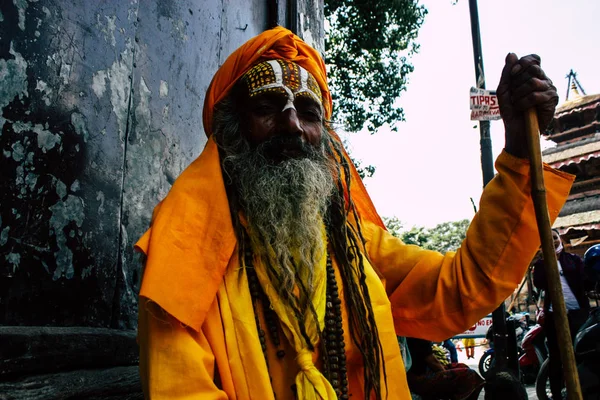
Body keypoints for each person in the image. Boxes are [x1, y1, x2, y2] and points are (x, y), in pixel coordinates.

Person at [136, 27, 573, 400]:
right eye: (268, 108)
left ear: (324, 139)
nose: (292, 124)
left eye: (309, 113)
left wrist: (518, 149)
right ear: (232, 133)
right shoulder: (185, 257)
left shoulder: (353, 245)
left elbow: (461, 289)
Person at [533, 229, 592, 399]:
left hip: (578, 313)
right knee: (556, 357)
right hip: (554, 316)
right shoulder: (541, 264)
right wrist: (547, 260)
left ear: (561, 240)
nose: (552, 241)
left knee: (580, 352)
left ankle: (583, 390)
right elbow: (539, 283)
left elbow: (585, 280)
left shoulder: (574, 260)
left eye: (555, 238)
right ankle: (557, 394)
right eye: (548, 238)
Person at [406, 338, 484, 400]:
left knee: (462, 366)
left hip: (423, 372)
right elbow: (433, 362)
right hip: (417, 379)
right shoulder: (417, 338)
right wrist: (447, 375)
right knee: (469, 375)